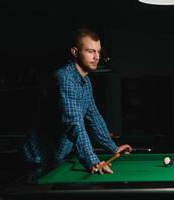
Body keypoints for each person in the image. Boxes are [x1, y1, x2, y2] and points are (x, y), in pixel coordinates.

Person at [23, 28, 132, 175]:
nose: (97, 57)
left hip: (59, 156)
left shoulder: (86, 82)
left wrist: (112, 148)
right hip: (39, 158)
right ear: (75, 52)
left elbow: (94, 118)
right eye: (90, 51)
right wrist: (92, 160)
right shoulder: (64, 78)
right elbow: (73, 123)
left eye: (98, 51)